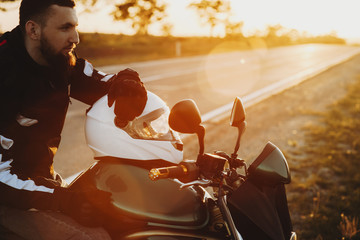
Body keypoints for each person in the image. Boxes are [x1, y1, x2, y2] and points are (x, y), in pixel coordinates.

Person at [0, 0, 147, 239]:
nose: (76, 37)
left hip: (38, 182)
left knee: (123, 216)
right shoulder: (6, 73)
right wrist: (64, 200)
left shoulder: (56, 59)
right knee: (94, 236)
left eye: (75, 27)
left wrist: (125, 82)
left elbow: (95, 79)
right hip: (8, 196)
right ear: (33, 30)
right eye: (65, 28)